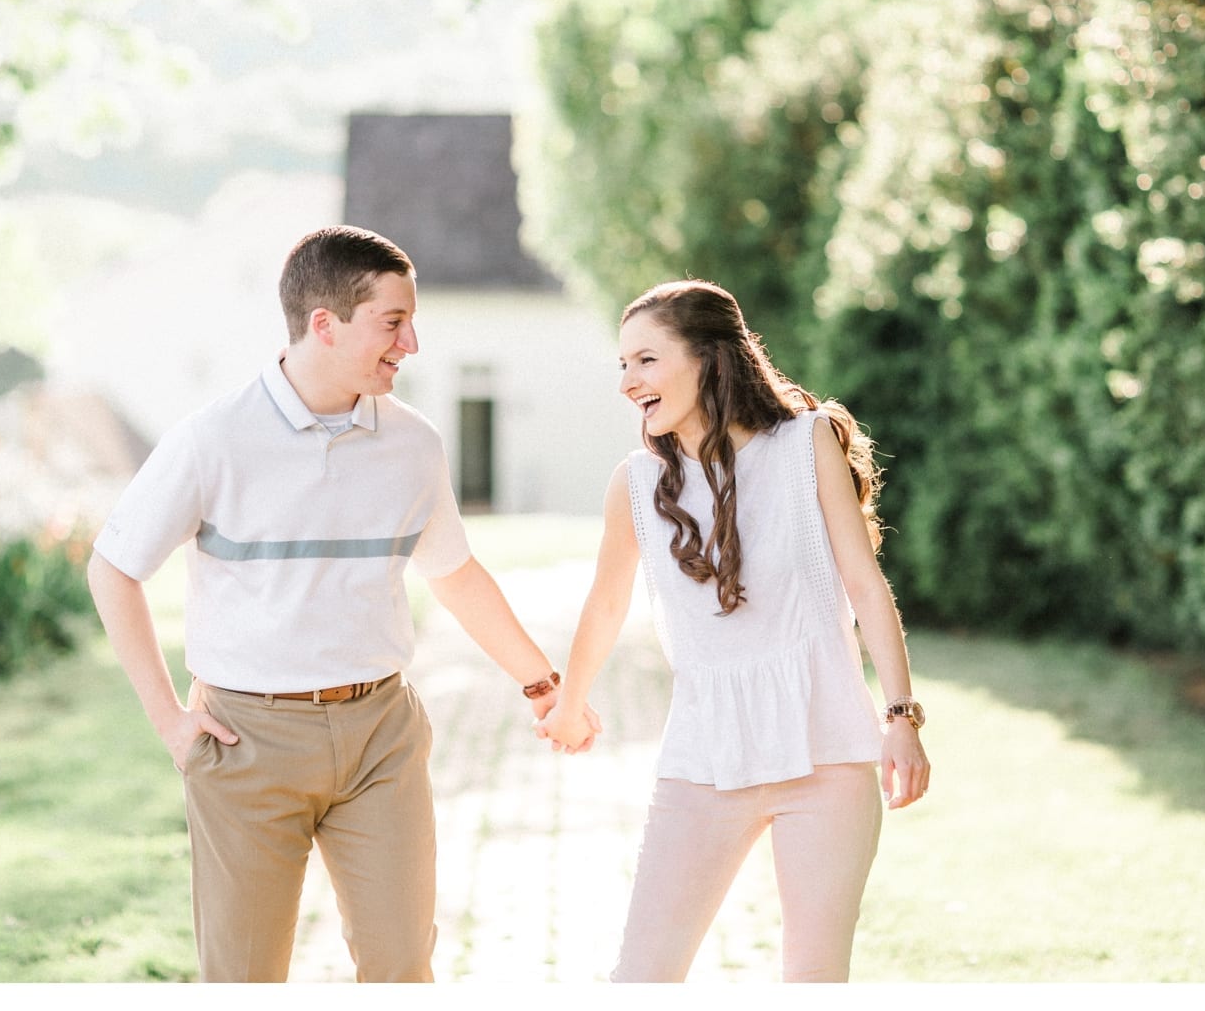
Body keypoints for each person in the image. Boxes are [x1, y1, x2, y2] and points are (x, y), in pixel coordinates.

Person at [87, 225, 594, 983]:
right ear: (323, 324)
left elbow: (456, 574)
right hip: (246, 741)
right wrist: (170, 723)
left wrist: (543, 684)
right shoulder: (214, 440)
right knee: (245, 977)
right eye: (393, 322)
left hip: (379, 736)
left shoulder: (412, 444)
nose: (411, 343)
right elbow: (112, 569)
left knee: (400, 970)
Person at [537, 278, 930, 983]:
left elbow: (866, 586)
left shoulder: (805, 444)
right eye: (623, 365)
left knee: (814, 980)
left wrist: (901, 716)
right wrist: (569, 704)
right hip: (703, 764)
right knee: (641, 977)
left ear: (709, 359)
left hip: (829, 758)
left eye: (646, 360)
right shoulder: (634, 484)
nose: (629, 382)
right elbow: (604, 605)